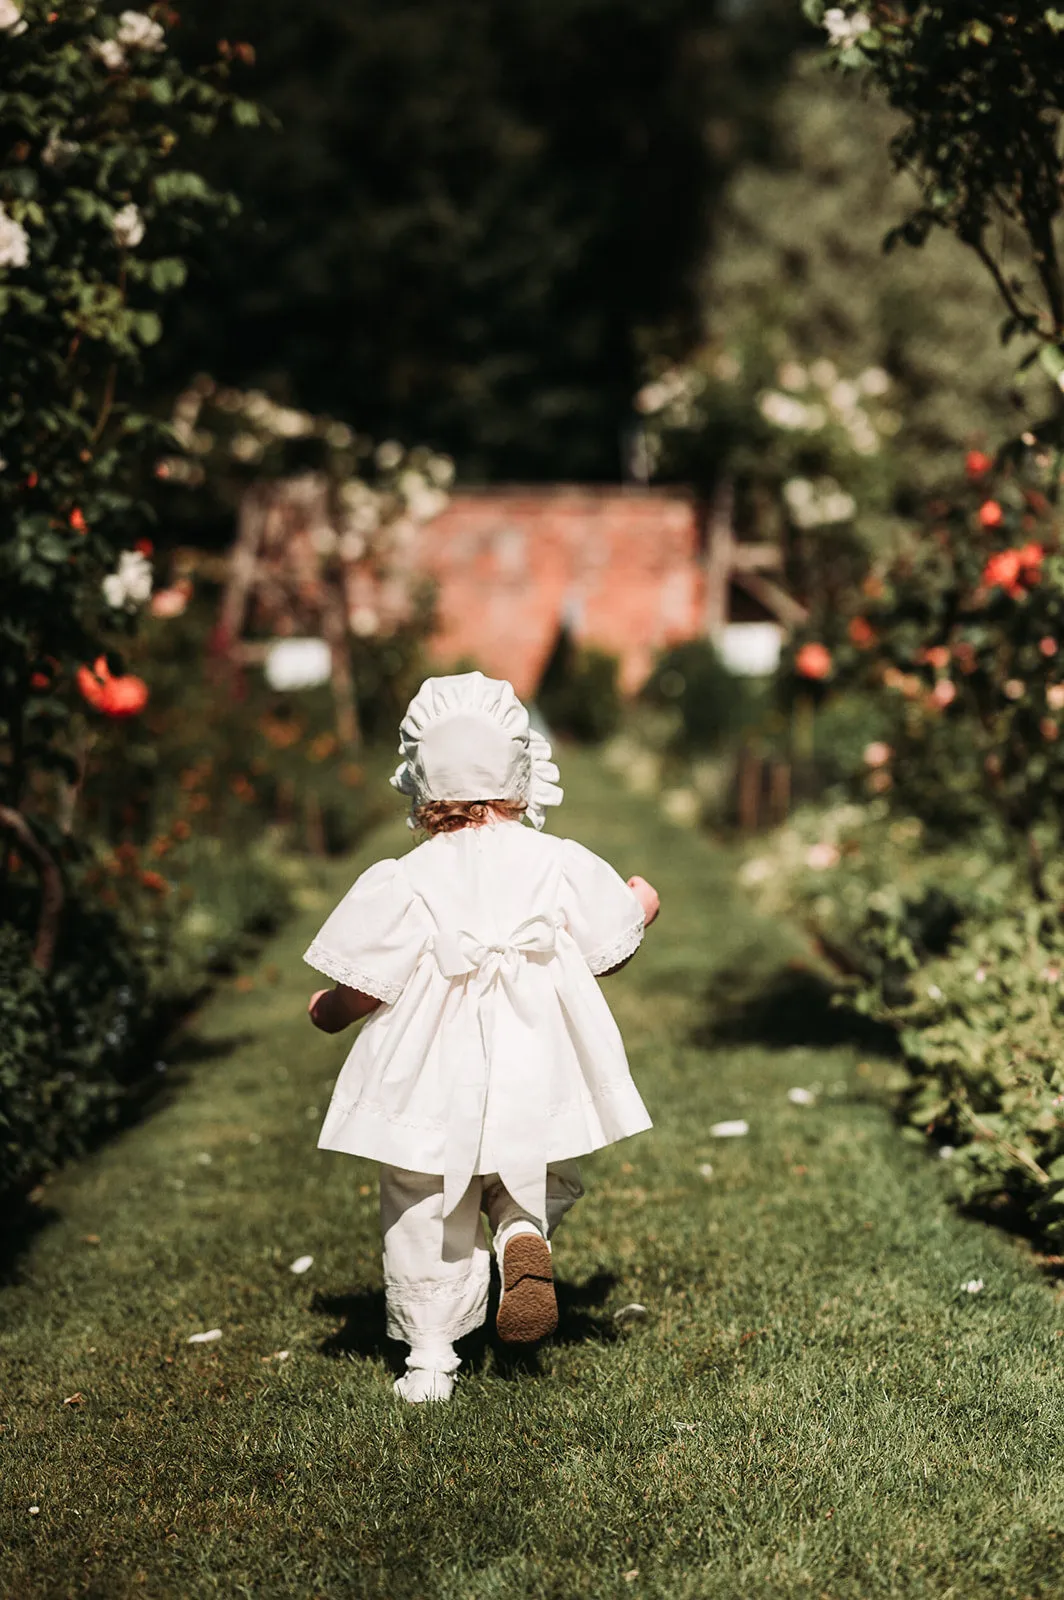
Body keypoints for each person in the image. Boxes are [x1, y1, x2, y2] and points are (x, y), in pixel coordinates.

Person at [305, 671, 660, 1402]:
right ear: (521, 773)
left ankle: (430, 1356)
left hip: (432, 1064)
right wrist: (638, 906)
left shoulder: (408, 878)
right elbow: (609, 953)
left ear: (421, 783)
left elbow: (366, 984)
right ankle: (519, 1226)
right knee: (525, 1151)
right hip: (534, 1050)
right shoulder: (555, 861)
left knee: (421, 1187)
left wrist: (329, 1009)